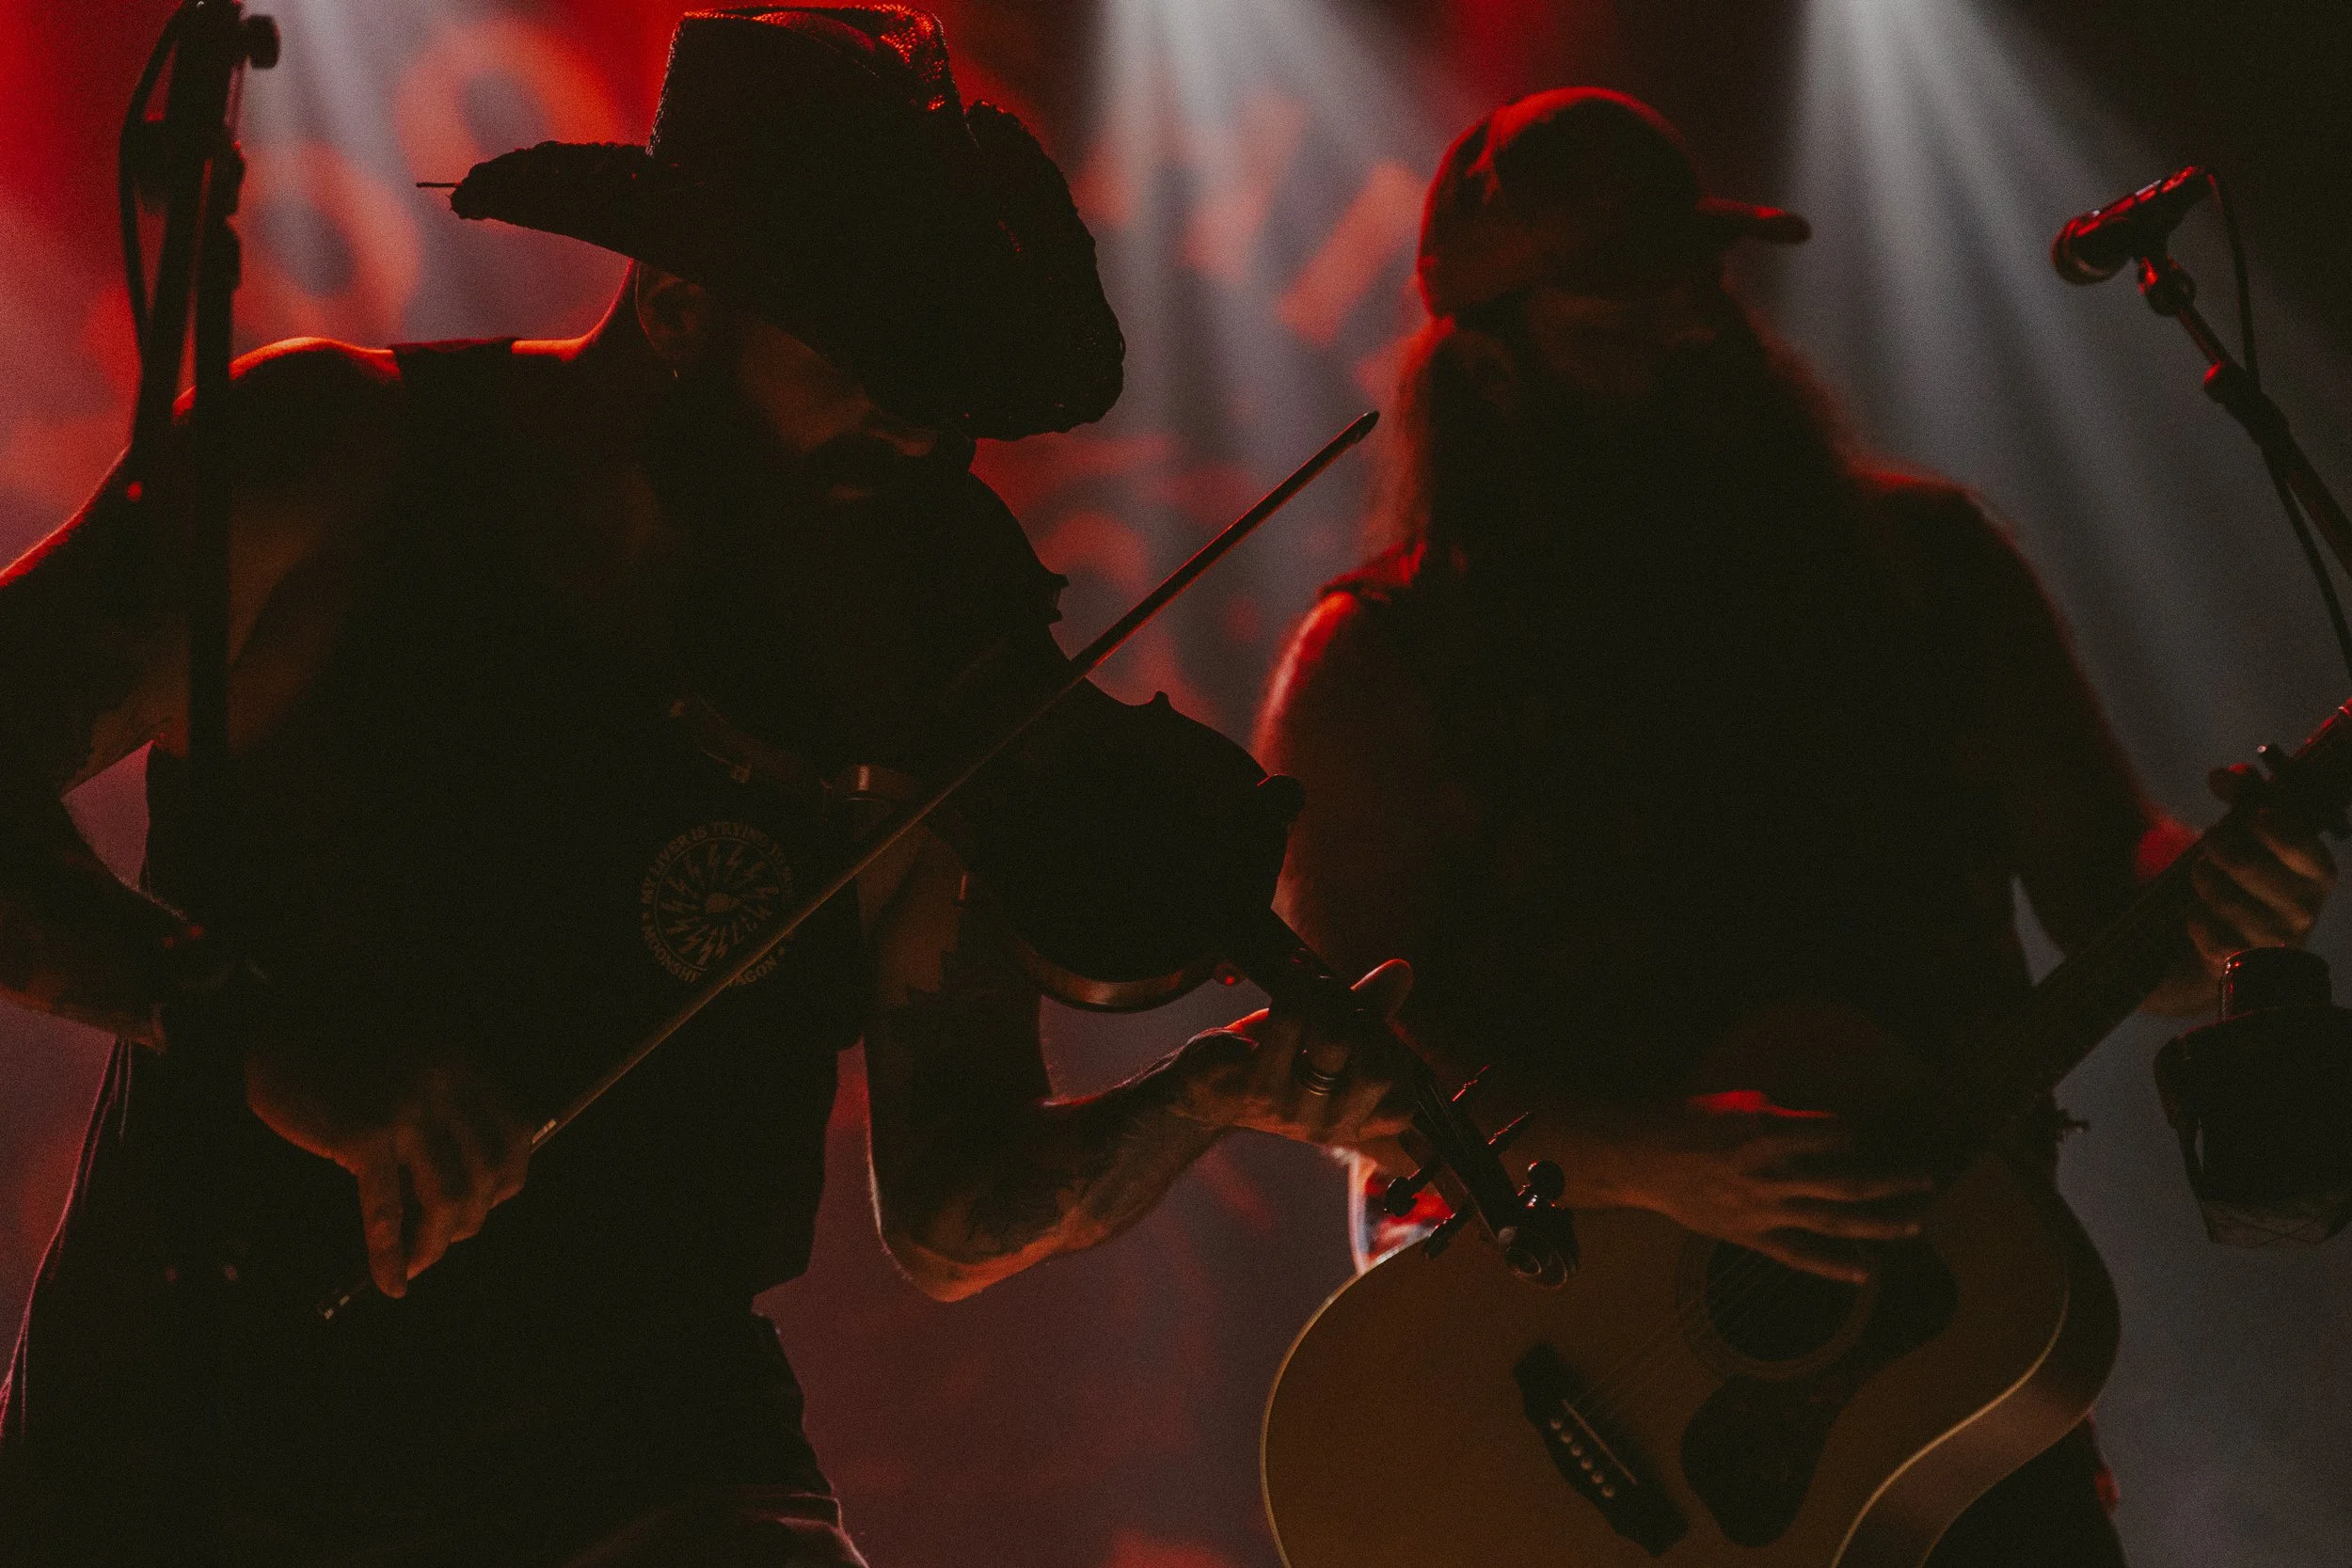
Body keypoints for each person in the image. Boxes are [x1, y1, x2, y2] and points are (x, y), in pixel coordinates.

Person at [0, 9, 1407, 1564]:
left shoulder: (902, 657)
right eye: (868, 374)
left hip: (651, 1446)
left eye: (943, 398)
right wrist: (259, 1038)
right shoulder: (333, 463)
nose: (919, 442)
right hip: (218, 1413)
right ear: (676, 304)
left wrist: (1208, 1095)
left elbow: (951, 1204)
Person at [1254, 88, 2335, 1566]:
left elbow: (2113, 893)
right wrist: (1650, 1159)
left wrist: (2215, 899)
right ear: (1485, 359)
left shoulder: (1928, 571)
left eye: (1702, 279)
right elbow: (1351, 1065)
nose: (1696, 327)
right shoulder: (1387, 659)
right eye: (1621, 305)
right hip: (1588, 1394)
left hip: (1950, 1355)